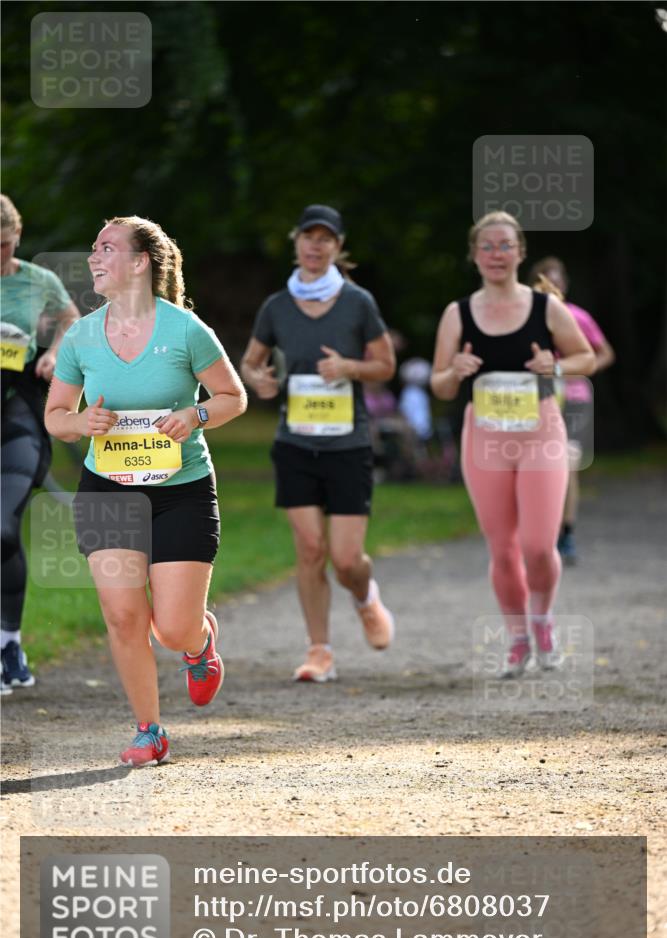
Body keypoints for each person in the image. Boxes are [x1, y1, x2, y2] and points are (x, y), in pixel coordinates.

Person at [45, 215, 247, 765]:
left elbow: (234, 397)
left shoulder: (185, 330)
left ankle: (199, 644)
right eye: (93, 248)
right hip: (107, 489)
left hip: (181, 489)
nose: (94, 257)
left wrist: (195, 413)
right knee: (123, 616)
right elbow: (56, 415)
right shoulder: (82, 336)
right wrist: (80, 423)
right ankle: (148, 730)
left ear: (139, 263)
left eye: (106, 248)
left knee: (173, 628)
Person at [431, 211, 595, 677]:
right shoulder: (457, 314)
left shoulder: (546, 308)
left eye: (506, 245)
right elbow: (441, 385)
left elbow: (586, 355)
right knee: (503, 549)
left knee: (540, 546)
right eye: (488, 246)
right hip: (484, 438)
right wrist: (453, 373)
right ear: (474, 255)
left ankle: (542, 618)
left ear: (521, 253)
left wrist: (556, 366)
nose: (497, 254)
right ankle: (518, 637)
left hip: (540, 433)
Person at [241, 204, 396, 682]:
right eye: (307, 237)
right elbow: (250, 363)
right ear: (296, 243)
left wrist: (350, 368)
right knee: (309, 549)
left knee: (347, 559)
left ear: (338, 247)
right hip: (295, 444)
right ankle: (319, 651)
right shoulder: (276, 306)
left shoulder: (357, 303)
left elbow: (385, 365)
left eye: (324, 238)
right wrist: (260, 381)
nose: (315, 245)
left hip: (348, 445)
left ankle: (365, 597)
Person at [1, 194, 80, 694]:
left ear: (17, 237)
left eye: (3, 246)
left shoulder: (37, 280)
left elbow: (71, 318)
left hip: (18, 412)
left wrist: (54, 351)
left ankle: (8, 642)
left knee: (3, 529)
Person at [529, 257, 615, 564]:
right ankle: (541, 533)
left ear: (565, 285)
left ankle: (566, 533)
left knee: (567, 461)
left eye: (557, 282)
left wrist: (575, 369)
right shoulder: (525, 318)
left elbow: (603, 354)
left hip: (574, 398)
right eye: (545, 283)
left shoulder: (577, 316)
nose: (553, 289)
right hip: (535, 399)